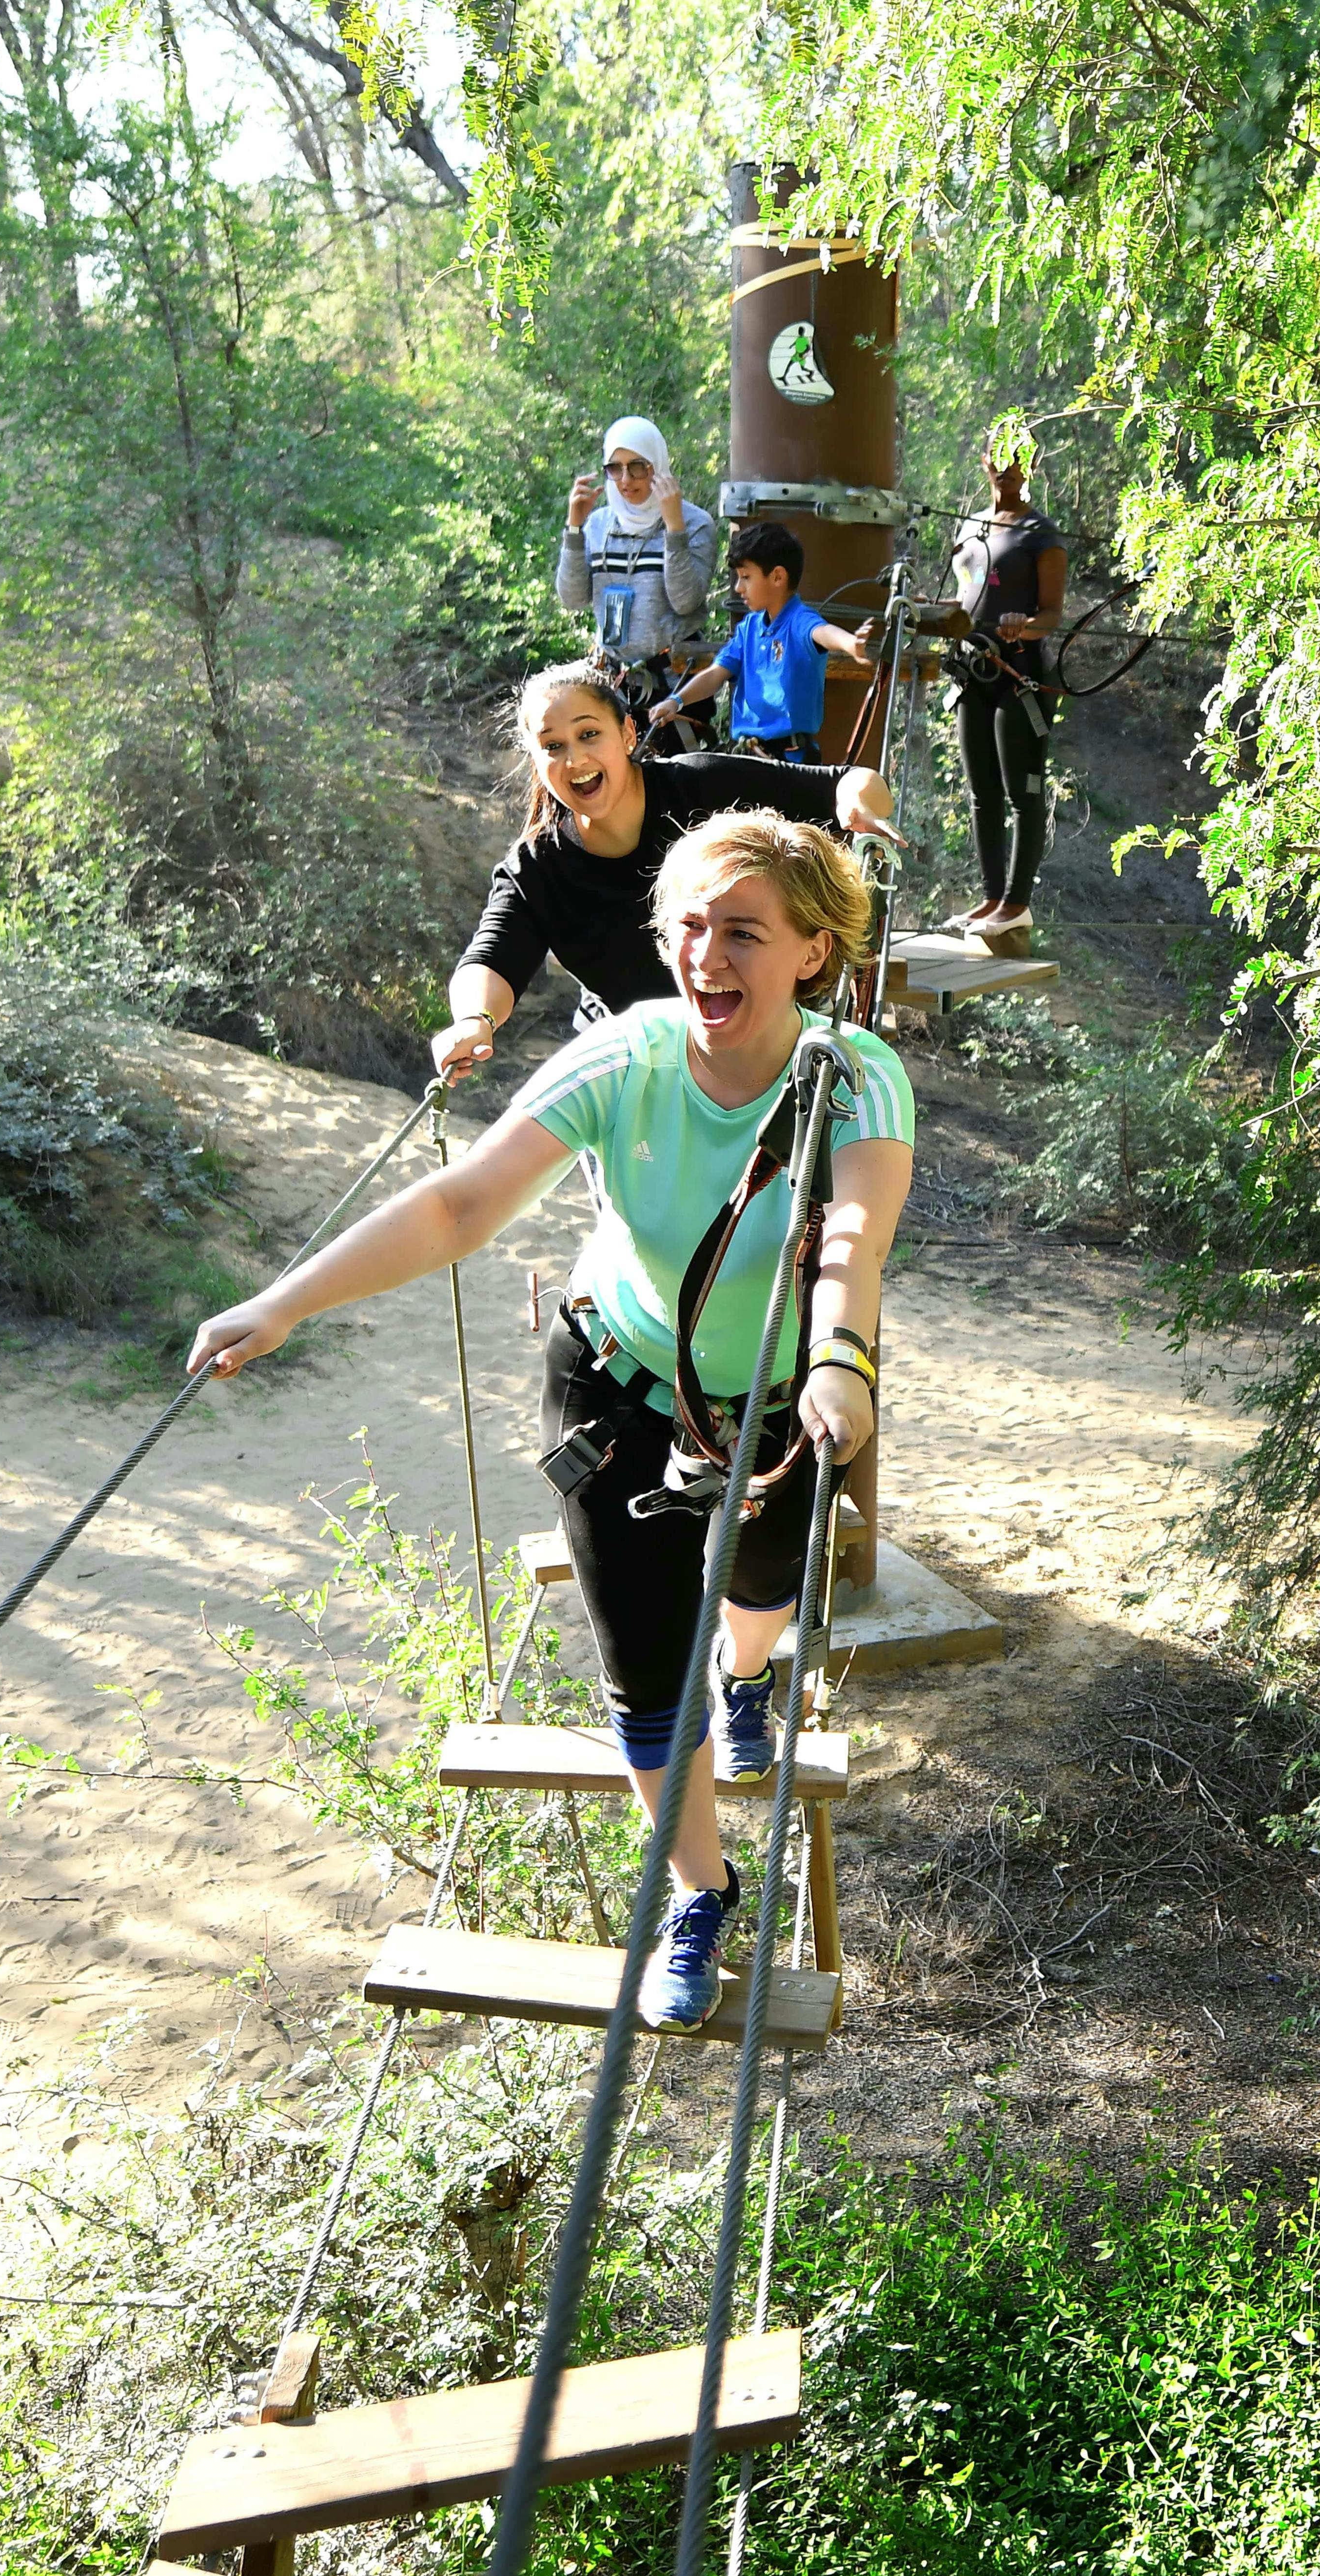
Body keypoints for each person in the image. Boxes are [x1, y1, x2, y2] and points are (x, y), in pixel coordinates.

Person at [190, 811, 913, 2030]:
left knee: (760, 1596)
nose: (706, 954)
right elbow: (464, 1201)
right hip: (617, 1382)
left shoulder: (851, 1077)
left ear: (813, 951)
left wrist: (842, 1362)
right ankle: (701, 1887)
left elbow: (851, 1238)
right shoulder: (625, 1060)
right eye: (687, 926)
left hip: (785, 1401)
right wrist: (285, 1301)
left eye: (742, 930)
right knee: (642, 1673)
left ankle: (745, 1677)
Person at [441, 661, 899, 1077]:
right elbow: (491, 957)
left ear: (627, 735)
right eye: (553, 746)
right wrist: (473, 1022)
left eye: (589, 735)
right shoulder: (537, 868)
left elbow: (852, 782)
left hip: (760, 1051)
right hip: (634, 1065)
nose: (575, 760)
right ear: (537, 762)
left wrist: (856, 808)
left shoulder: (701, 786)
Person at [926, 437, 1066, 950]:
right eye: (997, 458)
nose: (1005, 469)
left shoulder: (1040, 534)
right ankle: (990, 899)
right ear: (983, 461)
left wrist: (1023, 625)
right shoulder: (971, 526)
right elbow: (968, 596)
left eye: (1016, 460)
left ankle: (1015, 902)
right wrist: (933, 610)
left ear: (1029, 464)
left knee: (1021, 793)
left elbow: (1051, 614)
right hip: (971, 672)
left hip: (1019, 673)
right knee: (981, 793)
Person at [664, 519, 871, 762]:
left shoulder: (800, 621)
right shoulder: (748, 629)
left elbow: (824, 633)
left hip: (791, 763)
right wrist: (676, 701)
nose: (739, 588)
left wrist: (851, 644)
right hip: (747, 757)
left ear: (777, 577)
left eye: (746, 577)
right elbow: (715, 675)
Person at [556, 416, 714, 712]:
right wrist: (575, 528)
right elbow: (573, 598)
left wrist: (674, 528)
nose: (627, 480)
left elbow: (685, 602)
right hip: (611, 684)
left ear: (659, 466)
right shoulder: (597, 525)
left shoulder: (694, 524)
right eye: (615, 469)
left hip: (677, 687)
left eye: (638, 467)